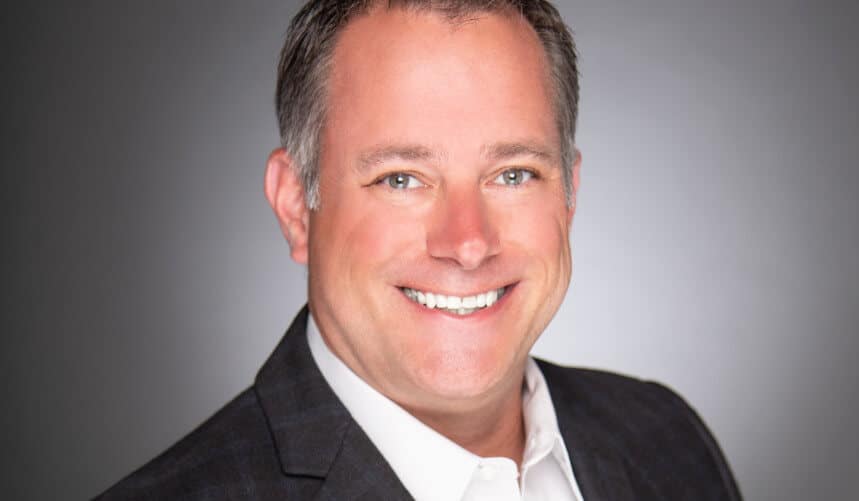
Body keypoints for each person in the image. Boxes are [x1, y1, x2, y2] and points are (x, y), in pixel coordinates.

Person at [97, 0, 742, 499]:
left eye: (513, 174)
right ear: (296, 208)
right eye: (401, 179)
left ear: (569, 195)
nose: (468, 243)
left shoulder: (669, 442)